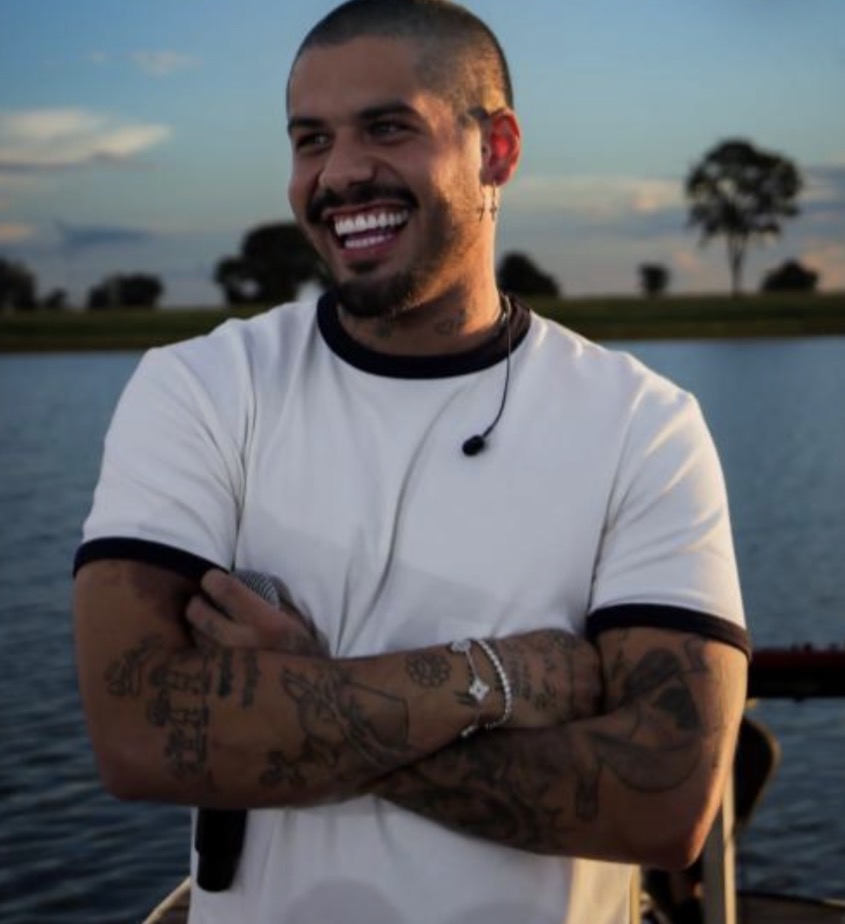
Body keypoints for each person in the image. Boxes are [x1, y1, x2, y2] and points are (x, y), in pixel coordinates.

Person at [73, 2, 750, 923]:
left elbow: (664, 802)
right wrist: (502, 678)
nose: (340, 173)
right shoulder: (201, 387)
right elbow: (137, 737)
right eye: (311, 140)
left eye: (388, 128)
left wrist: (297, 690)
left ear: (495, 151)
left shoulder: (642, 424)